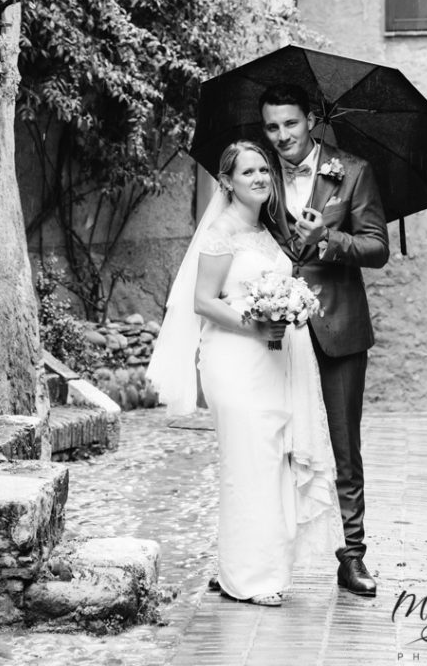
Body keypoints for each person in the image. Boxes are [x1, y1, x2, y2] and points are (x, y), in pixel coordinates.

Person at [147, 140, 342, 607]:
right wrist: (256, 322)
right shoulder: (219, 234)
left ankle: (262, 569)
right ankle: (247, 579)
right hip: (234, 363)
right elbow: (203, 301)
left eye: (263, 171)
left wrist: (289, 307)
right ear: (227, 182)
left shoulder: (265, 233)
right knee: (248, 465)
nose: (258, 178)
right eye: (247, 172)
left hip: (273, 361)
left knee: (272, 463)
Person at [259, 84, 389, 598]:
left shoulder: (352, 171)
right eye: (272, 127)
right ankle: (265, 557)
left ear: (310, 119)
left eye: (290, 124)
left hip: (338, 328)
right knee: (272, 444)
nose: (282, 136)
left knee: (343, 446)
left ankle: (352, 556)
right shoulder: (260, 173)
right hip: (277, 330)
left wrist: (326, 241)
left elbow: (377, 248)